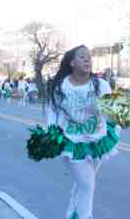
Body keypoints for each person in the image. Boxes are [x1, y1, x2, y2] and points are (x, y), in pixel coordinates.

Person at [46, 45, 119, 219]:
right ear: (72, 62)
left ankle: (72, 214)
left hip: (98, 142)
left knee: (83, 184)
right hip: (72, 142)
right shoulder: (61, 87)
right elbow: (52, 112)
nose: (87, 59)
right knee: (87, 184)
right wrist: (51, 135)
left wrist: (116, 127)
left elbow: (111, 111)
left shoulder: (101, 85)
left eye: (89, 57)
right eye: (82, 57)